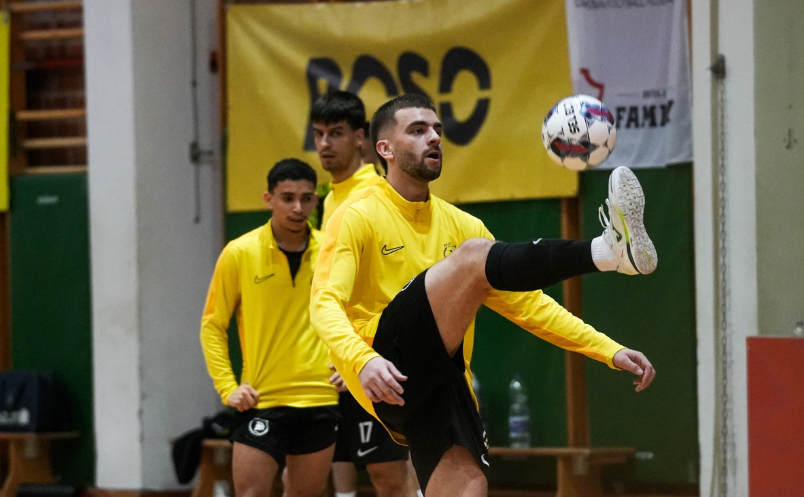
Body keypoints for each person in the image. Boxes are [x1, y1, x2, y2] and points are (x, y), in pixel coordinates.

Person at [310, 94, 658, 496]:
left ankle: (612, 254)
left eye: (437, 130)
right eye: (418, 130)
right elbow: (324, 303)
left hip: (441, 385)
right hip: (384, 362)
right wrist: (362, 359)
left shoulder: (462, 224)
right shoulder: (356, 215)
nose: (433, 138)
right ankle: (605, 252)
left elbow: (528, 305)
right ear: (384, 149)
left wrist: (608, 350)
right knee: (475, 255)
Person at [200, 159, 337, 497]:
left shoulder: (332, 252)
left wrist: (353, 365)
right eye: (287, 198)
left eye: (306, 198)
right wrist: (227, 388)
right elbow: (213, 325)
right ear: (268, 199)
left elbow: (359, 312)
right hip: (261, 400)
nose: (297, 208)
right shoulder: (240, 253)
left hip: (320, 398)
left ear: (315, 201)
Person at [311, 90, 414, 497]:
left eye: (335, 133)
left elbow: (397, 279)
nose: (324, 143)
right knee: (344, 474)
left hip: (374, 356)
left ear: (360, 138)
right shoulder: (327, 200)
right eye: (318, 134)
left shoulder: (376, 192)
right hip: (339, 361)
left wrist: (362, 353)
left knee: (389, 475)